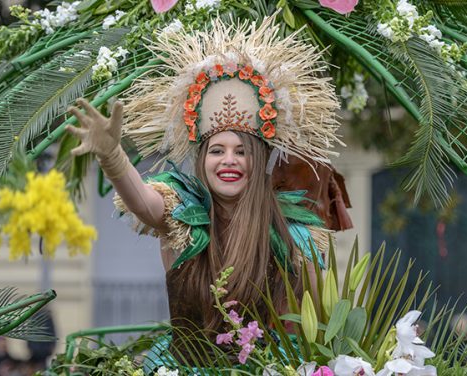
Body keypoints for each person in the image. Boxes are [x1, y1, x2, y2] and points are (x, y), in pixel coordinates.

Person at [66, 16, 343, 369]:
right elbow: (142, 203)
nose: (229, 161)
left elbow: (324, 329)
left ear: (259, 162)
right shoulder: (181, 216)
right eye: (217, 150)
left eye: (241, 151)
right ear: (202, 161)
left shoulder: (295, 237)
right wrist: (112, 156)